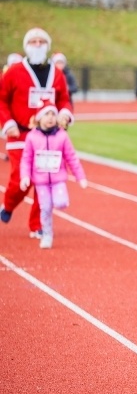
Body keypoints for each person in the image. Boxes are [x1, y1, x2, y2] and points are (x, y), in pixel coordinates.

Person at [0, 28, 73, 237]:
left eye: (42, 41)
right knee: (21, 180)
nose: (38, 44)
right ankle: (8, 205)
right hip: (20, 136)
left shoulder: (56, 74)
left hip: (47, 138)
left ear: (48, 46)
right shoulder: (14, 72)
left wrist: (65, 114)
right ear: (26, 46)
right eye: (33, 41)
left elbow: (64, 99)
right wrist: (8, 123)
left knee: (44, 180)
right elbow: (1, 100)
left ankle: (38, 224)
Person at [19, 101, 87, 249]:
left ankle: (57, 206)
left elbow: (71, 157)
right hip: (41, 181)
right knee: (46, 208)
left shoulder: (62, 136)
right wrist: (24, 176)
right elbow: (26, 159)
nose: (50, 118)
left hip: (58, 179)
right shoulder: (32, 137)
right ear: (39, 118)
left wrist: (80, 176)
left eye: (53, 114)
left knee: (61, 202)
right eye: (46, 114)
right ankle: (47, 235)